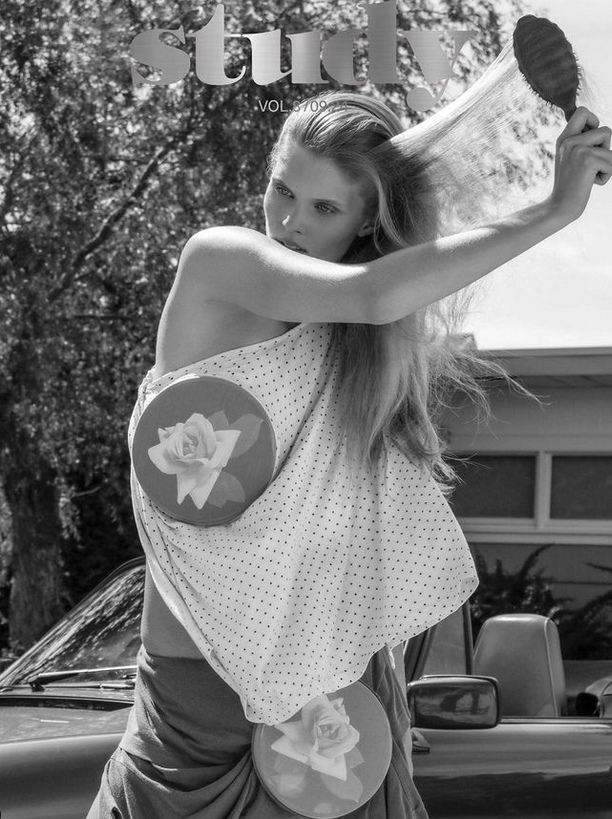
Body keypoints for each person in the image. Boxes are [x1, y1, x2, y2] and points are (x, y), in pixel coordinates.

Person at [87, 46, 612, 819]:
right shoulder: (221, 263)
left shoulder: (365, 359)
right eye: (282, 189)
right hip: (196, 708)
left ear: (368, 219)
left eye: (325, 208)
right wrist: (553, 210)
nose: (290, 221)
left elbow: (360, 544)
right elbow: (372, 292)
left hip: (328, 713)